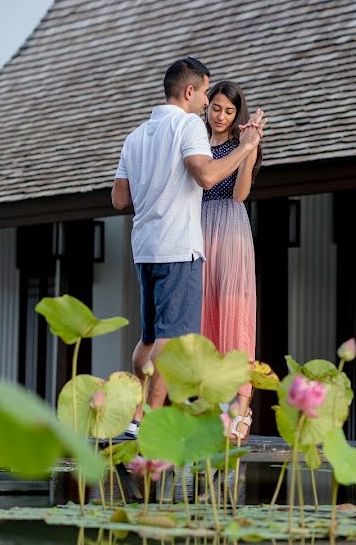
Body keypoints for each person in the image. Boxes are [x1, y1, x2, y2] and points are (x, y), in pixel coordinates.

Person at [111, 58, 265, 437]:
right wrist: (245, 147)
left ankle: (136, 413)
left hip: (144, 247)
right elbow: (208, 175)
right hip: (179, 246)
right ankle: (145, 418)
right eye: (206, 97)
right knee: (174, 336)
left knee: (150, 335)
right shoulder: (188, 127)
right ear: (191, 91)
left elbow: (119, 198)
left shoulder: (135, 136)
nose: (207, 107)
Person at [200, 80, 261, 443]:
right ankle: (210, 404)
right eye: (216, 108)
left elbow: (240, 193)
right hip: (198, 230)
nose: (221, 116)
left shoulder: (243, 143)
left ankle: (241, 406)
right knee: (204, 317)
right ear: (207, 108)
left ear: (238, 113)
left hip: (231, 229)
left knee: (234, 315)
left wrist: (248, 147)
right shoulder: (195, 142)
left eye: (229, 110)